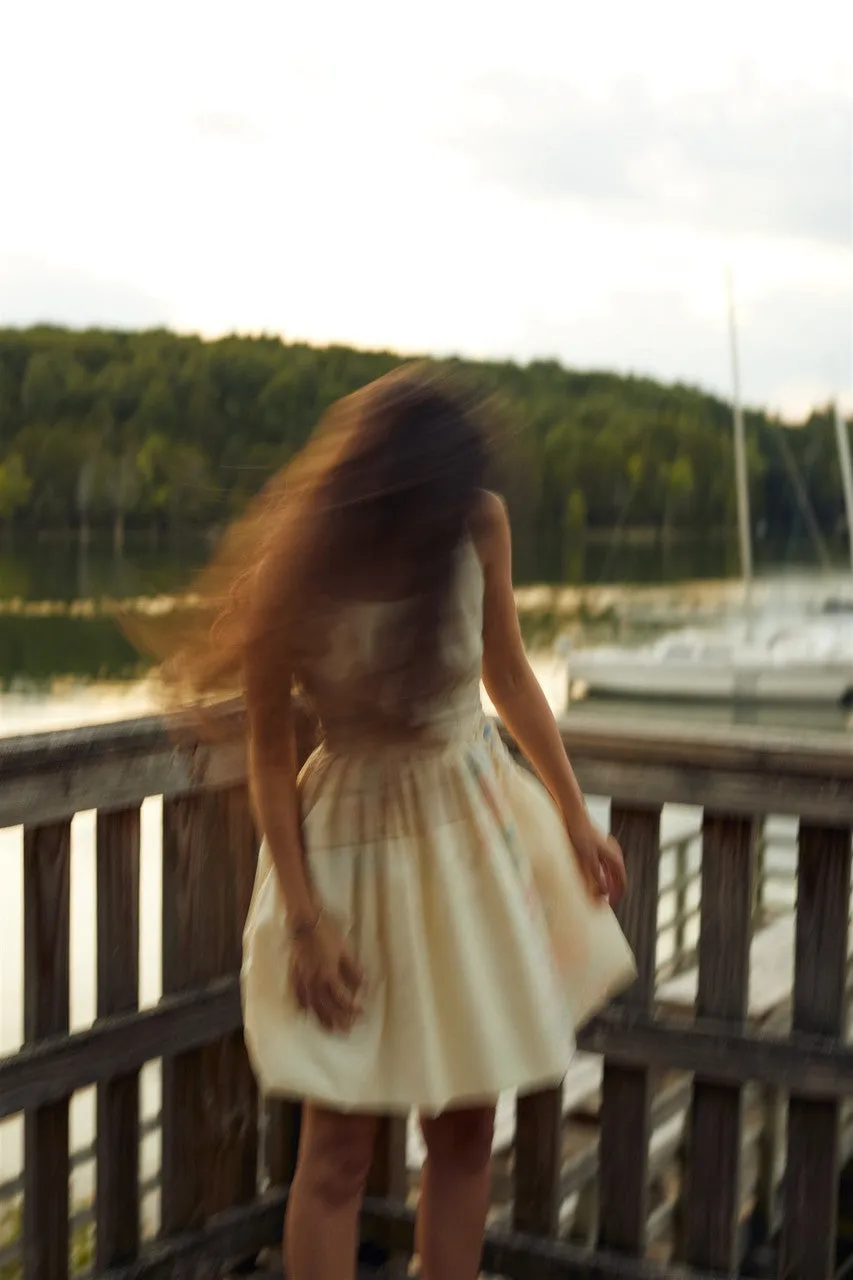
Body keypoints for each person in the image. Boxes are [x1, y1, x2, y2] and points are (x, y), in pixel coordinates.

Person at [155, 365, 635, 1280]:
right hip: (348, 857)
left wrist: (574, 814)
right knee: (335, 1147)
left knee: (463, 1130)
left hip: (473, 836)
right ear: (396, 482)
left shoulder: (476, 522)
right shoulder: (290, 576)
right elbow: (265, 755)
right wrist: (304, 919)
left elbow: (508, 672)